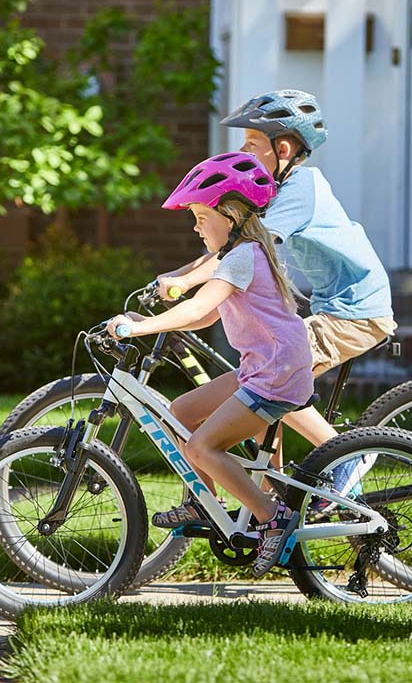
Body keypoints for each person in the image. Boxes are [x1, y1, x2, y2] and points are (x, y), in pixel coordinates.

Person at [157, 90, 396, 491]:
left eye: (252, 143)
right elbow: (229, 251)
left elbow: (241, 250)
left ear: (281, 148)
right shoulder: (274, 190)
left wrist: (182, 280)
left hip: (355, 312)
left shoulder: (300, 188)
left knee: (276, 375)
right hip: (336, 307)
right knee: (263, 386)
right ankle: (274, 493)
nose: (244, 151)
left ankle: (346, 454)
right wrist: (175, 276)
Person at [106, 152, 314, 577]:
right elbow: (206, 315)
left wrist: (136, 331)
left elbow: (197, 303)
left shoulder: (242, 257)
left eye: (202, 215)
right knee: (180, 412)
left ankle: (271, 517)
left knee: (200, 445)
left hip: (274, 374)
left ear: (231, 215)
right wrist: (149, 322)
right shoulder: (239, 256)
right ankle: (205, 502)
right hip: (264, 366)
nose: (196, 225)